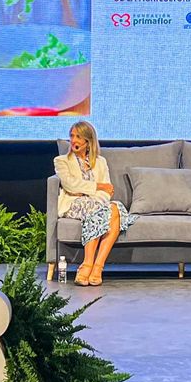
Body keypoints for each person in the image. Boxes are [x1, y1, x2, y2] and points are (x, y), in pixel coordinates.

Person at [53, 121, 138, 286]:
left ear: (88, 141)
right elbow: (70, 185)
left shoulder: (101, 162)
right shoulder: (61, 161)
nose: (74, 141)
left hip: (96, 204)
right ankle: (89, 264)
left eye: (78, 137)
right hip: (73, 204)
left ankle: (96, 266)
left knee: (115, 207)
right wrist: (97, 186)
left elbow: (108, 192)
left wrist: (89, 193)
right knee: (106, 210)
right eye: (72, 136)